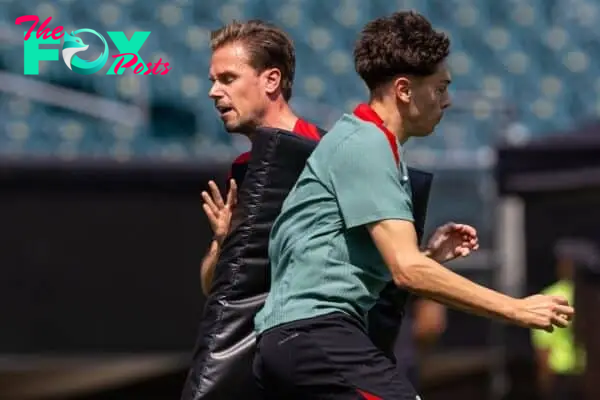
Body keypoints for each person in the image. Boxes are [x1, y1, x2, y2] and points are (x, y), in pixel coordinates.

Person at [252, 11, 575, 399]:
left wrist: (427, 256)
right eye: (440, 88)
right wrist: (516, 309)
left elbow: (339, 260)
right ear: (404, 90)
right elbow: (407, 272)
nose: (447, 101)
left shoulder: (361, 141)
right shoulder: (367, 145)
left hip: (294, 343)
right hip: (317, 338)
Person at [198, 19, 322, 296]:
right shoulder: (242, 170)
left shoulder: (327, 152)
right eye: (214, 81)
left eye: (227, 79)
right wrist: (223, 242)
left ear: (271, 80)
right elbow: (213, 289)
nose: (213, 92)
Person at [531, 241, 585, 400]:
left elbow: (543, 348)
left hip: (560, 376)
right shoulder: (592, 298)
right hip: (585, 373)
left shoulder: (550, 297)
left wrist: (544, 384)